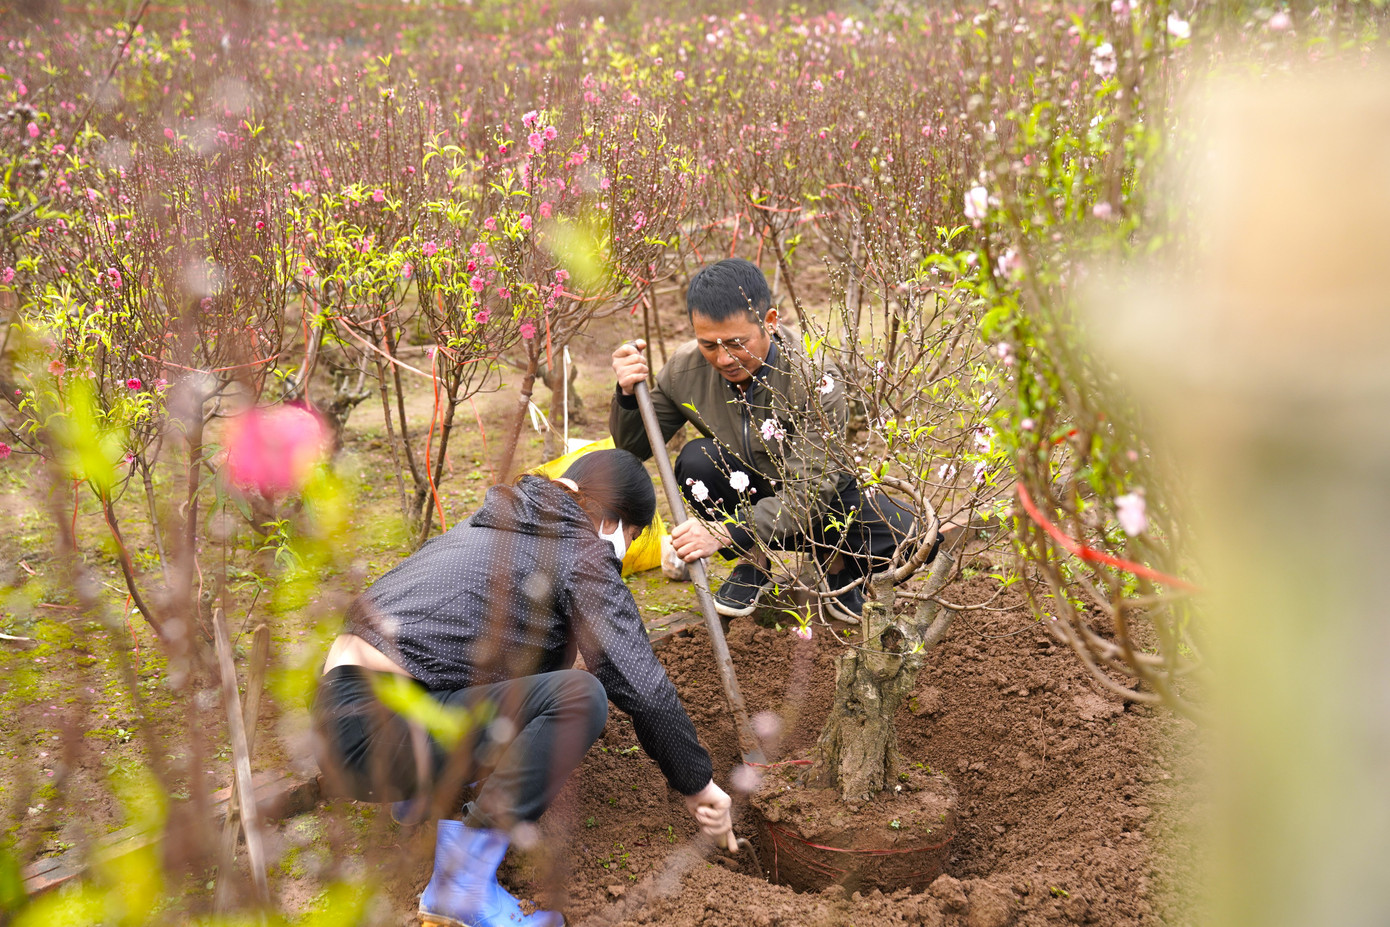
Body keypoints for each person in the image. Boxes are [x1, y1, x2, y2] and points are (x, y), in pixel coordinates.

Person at [312, 449, 734, 927]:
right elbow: (642, 684)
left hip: (337, 716)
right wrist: (698, 784)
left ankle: (423, 797)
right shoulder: (579, 550)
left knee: (527, 663)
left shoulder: (493, 522)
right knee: (578, 697)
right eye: (633, 537)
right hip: (376, 735)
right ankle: (461, 886)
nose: (625, 549)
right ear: (612, 521)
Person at [610, 258, 931, 621]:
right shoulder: (685, 370)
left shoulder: (814, 378)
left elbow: (809, 495)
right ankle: (753, 562)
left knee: (916, 540)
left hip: (821, 499)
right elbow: (634, 447)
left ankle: (836, 562)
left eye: (737, 343)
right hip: (748, 488)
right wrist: (627, 395)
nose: (723, 358)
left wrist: (726, 532)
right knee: (697, 460)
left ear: (770, 321)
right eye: (709, 345)